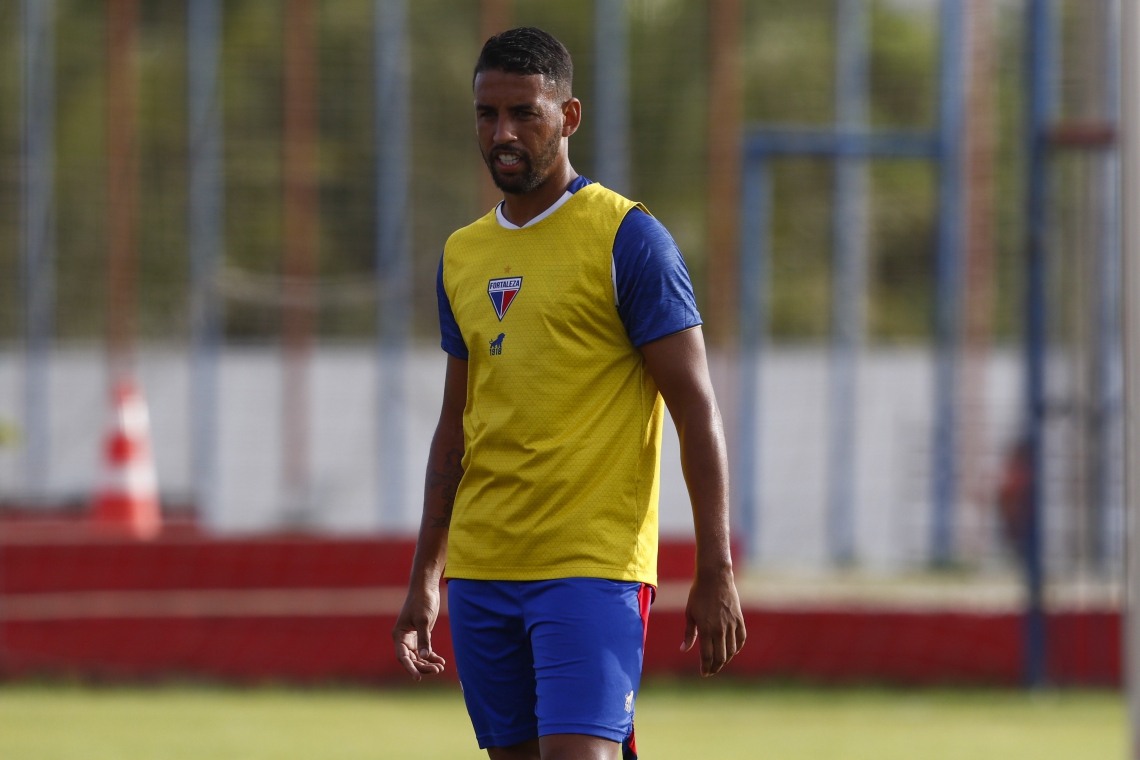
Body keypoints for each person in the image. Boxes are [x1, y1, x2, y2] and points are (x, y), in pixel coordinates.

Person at [392, 27, 746, 760]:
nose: (503, 133)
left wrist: (715, 565)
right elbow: (455, 426)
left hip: (591, 568)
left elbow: (696, 410)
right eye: (487, 114)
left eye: (524, 113)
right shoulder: (462, 254)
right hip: (483, 570)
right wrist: (427, 574)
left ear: (569, 116)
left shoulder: (628, 239)